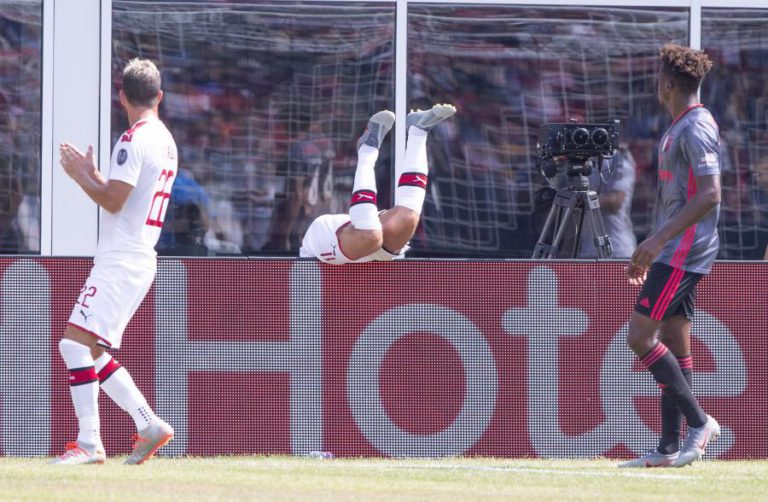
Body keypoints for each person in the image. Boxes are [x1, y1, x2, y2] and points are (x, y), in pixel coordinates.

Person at [53, 58, 177, 465]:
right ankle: (148, 424)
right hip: (139, 256)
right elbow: (128, 195)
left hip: (121, 258)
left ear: (121, 96)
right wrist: (98, 176)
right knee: (91, 349)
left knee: (73, 342)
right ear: (159, 96)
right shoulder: (166, 141)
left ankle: (89, 443)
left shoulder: (133, 138)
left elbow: (113, 200)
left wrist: (80, 177)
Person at [620, 44, 722, 468]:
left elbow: (711, 194)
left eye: (657, 78)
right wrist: (653, 242)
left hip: (684, 252)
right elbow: (679, 198)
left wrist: (658, 242)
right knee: (674, 340)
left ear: (667, 84)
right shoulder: (679, 125)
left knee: (639, 338)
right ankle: (666, 447)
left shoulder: (695, 127)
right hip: (674, 248)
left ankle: (699, 423)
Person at [299, 104, 456, 264]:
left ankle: (385, 142)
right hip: (353, 240)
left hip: (333, 236)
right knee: (403, 221)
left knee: (374, 235)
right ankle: (412, 133)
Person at [578, 147, 637, 259]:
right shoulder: (580, 158)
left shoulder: (619, 158)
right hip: (585, 251)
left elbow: (615, 201)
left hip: (617, 251)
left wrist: (579, 202)